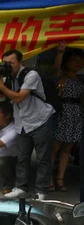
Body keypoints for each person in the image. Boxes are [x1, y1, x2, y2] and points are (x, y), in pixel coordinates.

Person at [0, 49, 55, 200]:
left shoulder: (31, 75)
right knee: (22, 157)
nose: (8, 66)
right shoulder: (8, 76)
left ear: (20, 62)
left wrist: (1, 84)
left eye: (11, 63)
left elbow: (18, 98)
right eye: (6, 63)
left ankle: (41, 191)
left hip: (40, 120)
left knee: (43, 158)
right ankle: (21, 188)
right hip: (22, 122)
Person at [50, 43, 84, 192]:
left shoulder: (80, 79)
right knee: (54, 148)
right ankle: (49, 178)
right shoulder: (61, 76)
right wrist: (60, 52)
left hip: (76, 113)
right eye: (74, 60)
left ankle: (60, 178)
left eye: (80, 61)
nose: (78, 63)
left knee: (67, 149)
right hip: (62, 111)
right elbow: (56, 67)